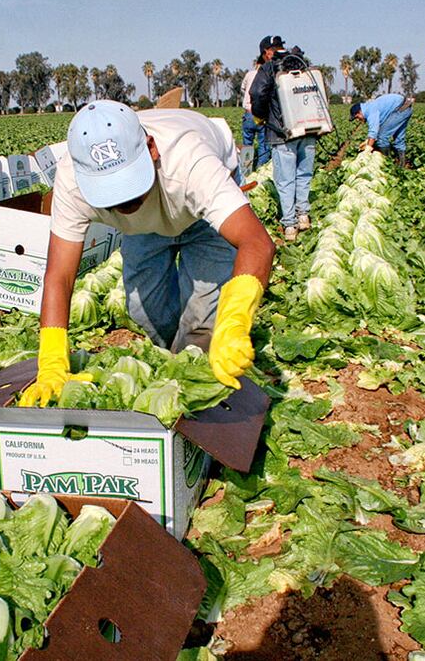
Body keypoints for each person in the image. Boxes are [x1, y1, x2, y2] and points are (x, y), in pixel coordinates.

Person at [18, 100, 277, 407]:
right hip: (143, 225)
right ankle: (178, 361)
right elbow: (59, 275)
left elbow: (256, 243)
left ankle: (197, 379)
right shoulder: (72, 179)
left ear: (151, 149)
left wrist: (234, 321)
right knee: (144, 309)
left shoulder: (191, 163)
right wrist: (51, 360)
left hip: (198, 213)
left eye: (128, 184)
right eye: (108, 191)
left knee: (205, 326)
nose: (122, 199)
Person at [250, 35, 317, 242]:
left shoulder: (270, 67)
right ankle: (303, 215)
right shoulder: (301, 63)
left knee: (285, 179)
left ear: (268, 52)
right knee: (303, 174)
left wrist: (260, 115)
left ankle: (289, 225)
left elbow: (257, 92)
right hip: (309, 129)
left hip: (282, 132)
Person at [350, 94, 414, 167]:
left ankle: (387, 163)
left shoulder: (370, 111)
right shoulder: (370, 107)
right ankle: (401, 164)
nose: (358, 120)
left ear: (359, 112)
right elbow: (378, 127)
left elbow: (373, 132)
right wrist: (367, 141)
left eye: (357, 117)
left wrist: (367, 150)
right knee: (398, 137)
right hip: (406, 107)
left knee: (382, 137)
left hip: (400, 109)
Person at [240, 57, 269, 170]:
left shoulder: (249, 74)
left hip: (249, 113)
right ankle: (260, 171)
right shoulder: (267, 75)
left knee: (247, 144)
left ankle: (245, 170)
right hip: (262, 114)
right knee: (264, 144)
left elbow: (243, 88)